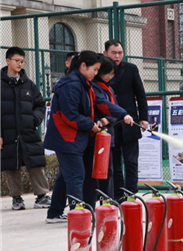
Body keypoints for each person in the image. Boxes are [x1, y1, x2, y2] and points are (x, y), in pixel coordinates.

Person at [44, 51, 134, 223]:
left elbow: (101, 103)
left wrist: (122, 114)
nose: (96, 73)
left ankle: (54, 213)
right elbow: (70, 115)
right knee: (77, 175)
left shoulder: (85, 84)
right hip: (66, 138)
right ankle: (78, 216)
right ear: (83, 66)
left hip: (73, 137)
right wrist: (91, 125)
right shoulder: (71, 85)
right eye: (95, 69)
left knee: (66, 175)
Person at [0, 46, 51, 210]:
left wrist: (35, 119)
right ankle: (16, 198)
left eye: (22, 61)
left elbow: (40, 104)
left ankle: (42, 196)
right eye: (17, 60)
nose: (20, 64)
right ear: (7, 61)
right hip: (7, 133)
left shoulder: (28, 84)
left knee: (35, 162)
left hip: (28, 132)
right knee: (10, 165)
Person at [103, 39, 148, 200]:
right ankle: (117, 195)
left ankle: (131, 194)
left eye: (120, 53)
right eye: (113, 53)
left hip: (130, 123)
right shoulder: (99, 71)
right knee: (114, 164)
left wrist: (144, 118)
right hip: (109, 124)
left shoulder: (131, 69)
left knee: (131, 161)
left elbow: (140, 94)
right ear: (105, 53)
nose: (117, 56)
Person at [82, 55, 120, 208]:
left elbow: (114, 109)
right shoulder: (93, 87)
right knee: (93, 175)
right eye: (107, 73)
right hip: (94, 137)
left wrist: (109, 119)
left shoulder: (109, 88)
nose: (109, 76)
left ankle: (107, 204)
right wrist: (101, 118)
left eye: (112, 74)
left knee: (108, 172)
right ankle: (89, 206)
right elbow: (96, 108)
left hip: (107, 137)